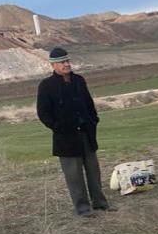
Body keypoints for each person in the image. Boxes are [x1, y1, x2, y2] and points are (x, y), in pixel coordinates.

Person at [36, 47, 115, 217]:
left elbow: (89, 103)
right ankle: (83, 208)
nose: (66, 64)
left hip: (86, 134)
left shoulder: (79, 80)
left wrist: (93, 121)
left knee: (94, 171)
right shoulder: (46, 86)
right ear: (53, 65)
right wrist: (59, 127)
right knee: (74, 175)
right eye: (62, 62)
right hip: (66, 138)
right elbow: (43, 113)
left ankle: (100, 203)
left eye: (67, 61)